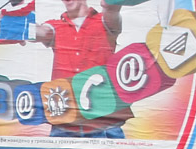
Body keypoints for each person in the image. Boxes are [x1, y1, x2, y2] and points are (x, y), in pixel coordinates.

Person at [30, 0, 135, 138]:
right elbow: (39, 32)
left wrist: (110, 4)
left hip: (103, 118)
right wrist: (14, 17)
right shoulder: (55, 26)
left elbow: (112, 10)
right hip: (66, 119)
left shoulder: (103, 21)